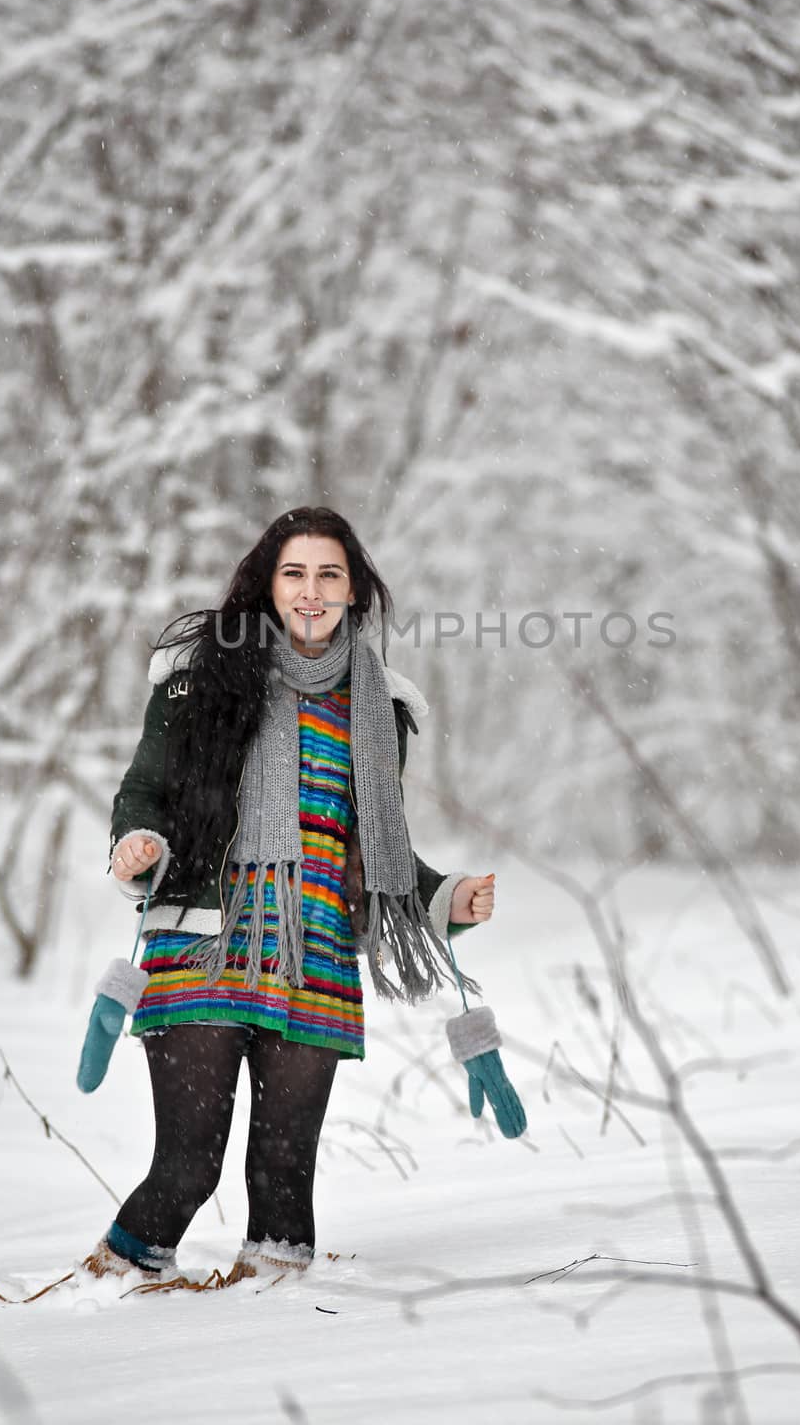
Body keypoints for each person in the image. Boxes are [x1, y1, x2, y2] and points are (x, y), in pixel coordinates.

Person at [82, 506, 496, 1288]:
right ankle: (103, 1293)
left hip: (316, 955)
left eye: (328, 574)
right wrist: (137, 847)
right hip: (206, 942)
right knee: (188, 1168)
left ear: (354, 589)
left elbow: (371, 843)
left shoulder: (380, 708)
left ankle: (269, 1336)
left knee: (282, 1179)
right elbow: (144, 789)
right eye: (294, 573)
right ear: (268, 583)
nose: (311, 591)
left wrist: (446, 898)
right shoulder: (200, 674)